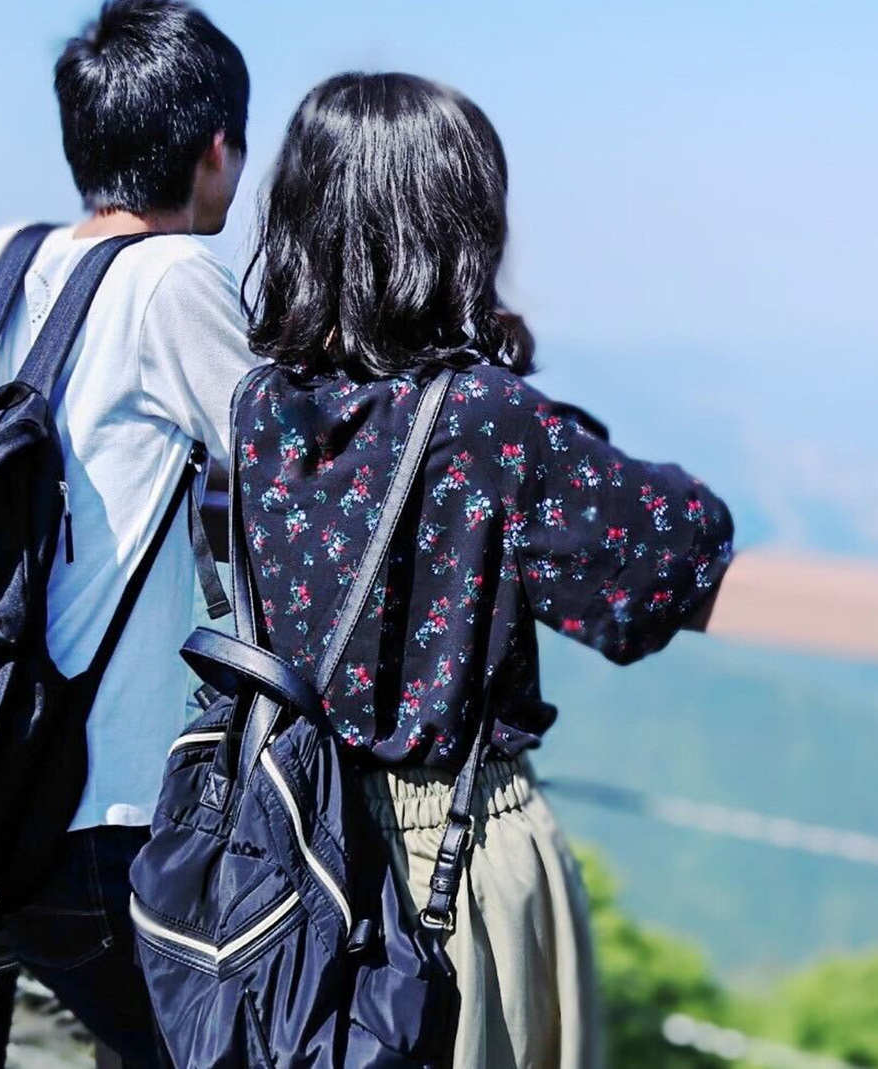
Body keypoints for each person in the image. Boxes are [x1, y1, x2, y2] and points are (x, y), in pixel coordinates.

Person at [236, 72, 734, 1069]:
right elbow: (671, 548)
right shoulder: (487, 420)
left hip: (283, 843)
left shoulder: (258, 404)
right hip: (451, 859)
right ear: (453, 229)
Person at [0, 0, 259, 1069]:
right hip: (87, 803)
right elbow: (289, 470)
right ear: (215, 150)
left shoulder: (8, 258)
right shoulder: (176, 276)